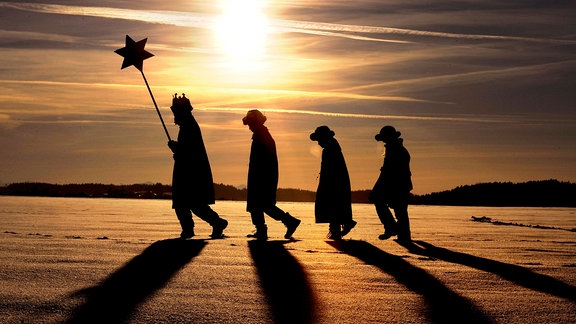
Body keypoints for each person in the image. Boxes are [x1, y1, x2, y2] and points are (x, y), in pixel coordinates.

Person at [167, 93, 228, 239]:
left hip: (190, 172)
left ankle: (210, 224)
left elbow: (189, 150)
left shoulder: (188, 125)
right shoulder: (188, 124)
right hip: (188, 170)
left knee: (189, 203)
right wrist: (177, 148)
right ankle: (209, 224)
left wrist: (176, 148)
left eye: (175, 111)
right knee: (189, 204)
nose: (174, 115)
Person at [242, 109, 301, 240]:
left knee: (261, 205)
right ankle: (267, 228)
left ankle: (287, 222)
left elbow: (264, 160)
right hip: (261, 176)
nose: (249, 127)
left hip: (262, 177)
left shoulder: (261, 136)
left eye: (251, 124)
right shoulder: (261, 134)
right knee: (259, 205)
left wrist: (260, 177)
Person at [310, 126, 356, 240]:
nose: (318, 143)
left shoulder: (330, 148)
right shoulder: (332, 146)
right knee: (334, 205)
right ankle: (338, 227)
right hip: (335, 182)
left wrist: (326, 182)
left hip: (333, 183)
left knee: (332, 204)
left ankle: (338, 228)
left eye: (319, 139)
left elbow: (331, 169)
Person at [370, 125, 413, 242]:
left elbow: (390, 171)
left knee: (398, 210)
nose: (383, 141)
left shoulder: (396, 150)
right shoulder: (394, 148)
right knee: (400, 211)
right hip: (399, 184)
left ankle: (393, 229)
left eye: (384, 138)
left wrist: (379, 187)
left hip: (398, 185)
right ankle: (401, 234)